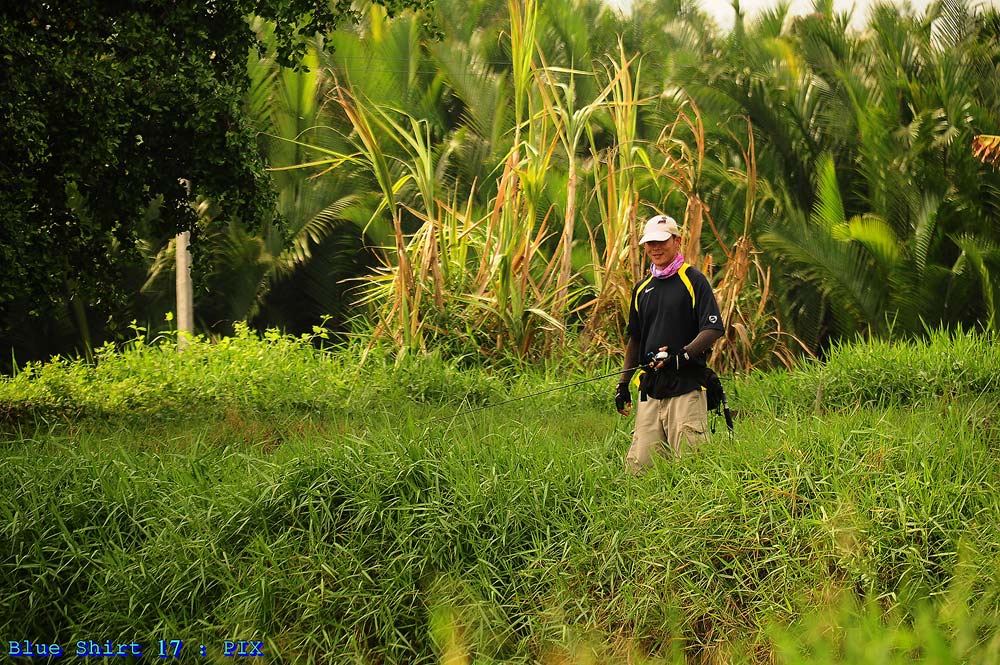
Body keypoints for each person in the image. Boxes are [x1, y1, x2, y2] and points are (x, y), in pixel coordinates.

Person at [615, 214, 724, 474]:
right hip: (650, 389)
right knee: (639, 470)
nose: (655, 248)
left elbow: (713, 327)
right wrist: (622, 384)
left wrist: (681, 356)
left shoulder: (693, 279)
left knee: (693, 468)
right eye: (650, 243)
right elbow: (636, 339)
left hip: (687, 387)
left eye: (661, 241)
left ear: (677, 241)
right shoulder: (643, 289)